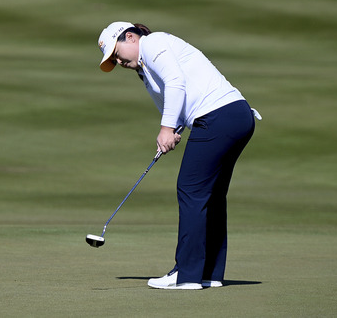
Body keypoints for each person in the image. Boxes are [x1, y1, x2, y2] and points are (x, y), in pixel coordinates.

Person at [97, 21, 259, 290]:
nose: (117, 61)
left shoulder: (154, 43)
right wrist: (173, 129)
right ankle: (209, 272)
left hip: (219, 117)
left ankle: (186, 274)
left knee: (190, 190)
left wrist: (166, 128)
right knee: (211, 195)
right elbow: (183, 100)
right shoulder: (146, 69)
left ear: (130, 37)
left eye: (117, 52)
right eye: (112, 59)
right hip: (235, 117)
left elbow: (175, 81)